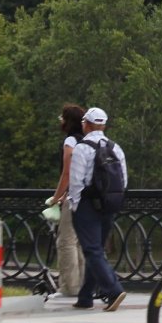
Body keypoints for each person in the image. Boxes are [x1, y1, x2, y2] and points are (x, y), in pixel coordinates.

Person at [67, 106, 129, 312]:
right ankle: (86, 296)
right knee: (97, 251)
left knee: (92, 250)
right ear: (104, 125)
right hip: (109, 205)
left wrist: (75, 206)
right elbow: (123, 180)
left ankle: (113, 290)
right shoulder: (116, 148)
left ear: (87, 124)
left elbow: (76, 182)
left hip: (87, 205)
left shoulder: (82, 149)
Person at [46, 104, 87, 300]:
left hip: (74, 198)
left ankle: (69, 287)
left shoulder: (70, 141)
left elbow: (67, 173)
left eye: (62, 118)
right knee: (79, 242)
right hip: (88, 197)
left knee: (66, 242)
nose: (60, 121)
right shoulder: (87, 141)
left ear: (67, 121)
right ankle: (82, 284)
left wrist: (56, 197)